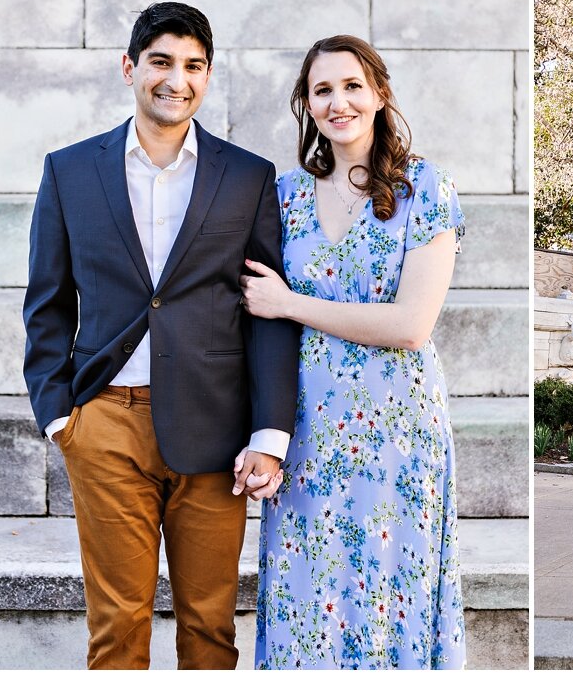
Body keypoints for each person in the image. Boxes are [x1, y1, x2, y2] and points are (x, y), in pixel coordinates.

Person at [22, 1, 300, 668]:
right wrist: (59, 415)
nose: (177, 78)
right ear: (130, 68)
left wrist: (269, 432)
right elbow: (48, 302)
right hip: (106, 423)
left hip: (215, 432)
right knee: (117, 626)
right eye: (162, 62)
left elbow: (266, 313)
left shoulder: (246, 177)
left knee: (210, 628)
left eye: (193, 65)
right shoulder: (69, 171)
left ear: (207, 76)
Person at [240, 35, 467, 669]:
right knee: (306, 599)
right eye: (322, 90)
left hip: (397, 430)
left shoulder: (425, 187)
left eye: (351, 86)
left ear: (379, 94)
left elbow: (412, 324)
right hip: (308, 429)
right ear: (306, 106)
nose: (338, 102)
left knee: (389, 593)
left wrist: (293, 304)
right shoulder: (283, 196)